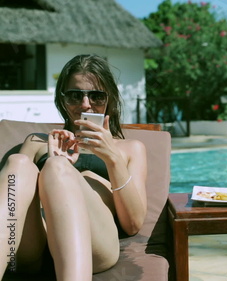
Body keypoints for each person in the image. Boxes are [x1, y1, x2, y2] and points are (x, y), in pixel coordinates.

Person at [0, 54, 147, 281]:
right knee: (18, 163)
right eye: (75, 95)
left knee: (58, 168)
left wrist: (112, 158)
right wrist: (49, 165)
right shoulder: (37, 142)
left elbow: (133, 225)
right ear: (63, 99)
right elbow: (12, 203)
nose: (85, 104)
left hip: (93, 244)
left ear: (110, 99)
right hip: (32, 246)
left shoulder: (130, 149)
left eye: (96, 96)